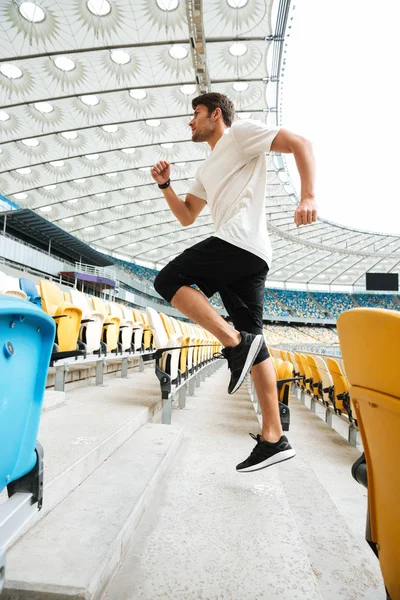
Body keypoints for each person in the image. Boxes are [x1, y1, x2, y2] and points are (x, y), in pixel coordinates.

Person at [150, 92, 316, 472]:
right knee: (257, 341)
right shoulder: (206, 168)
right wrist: (166, 186)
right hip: (249, 255)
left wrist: (307, 195)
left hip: (239, 242)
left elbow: (300, 144)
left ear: (216, 114)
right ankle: (274, 437)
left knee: (168, 280)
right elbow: (188, 216)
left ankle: (233, 343)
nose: (190, 122)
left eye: (196, 114)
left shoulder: (240, 134)